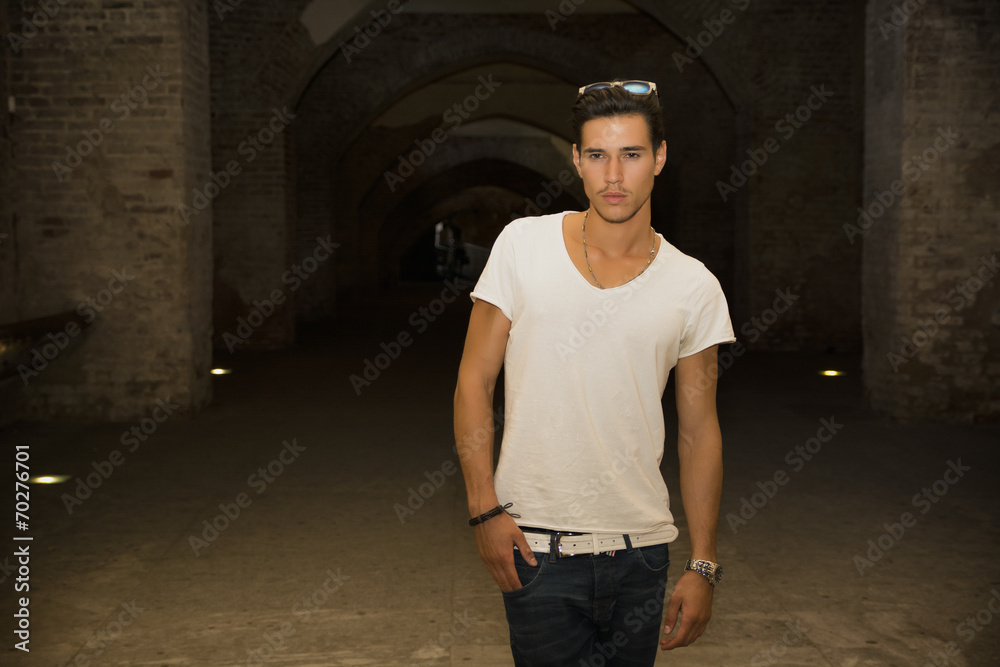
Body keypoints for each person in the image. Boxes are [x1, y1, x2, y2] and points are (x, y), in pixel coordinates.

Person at [453, 79, 735, 666]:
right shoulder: (522, 246)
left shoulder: (694, 285)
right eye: (598, 155)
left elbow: (698, 431)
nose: (614, 175)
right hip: (535, 549)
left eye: (631, 154)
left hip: (642, 554)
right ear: (576, 160)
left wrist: (702, 564)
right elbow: (474, 382)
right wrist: (484, 508)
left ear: (658, 158)